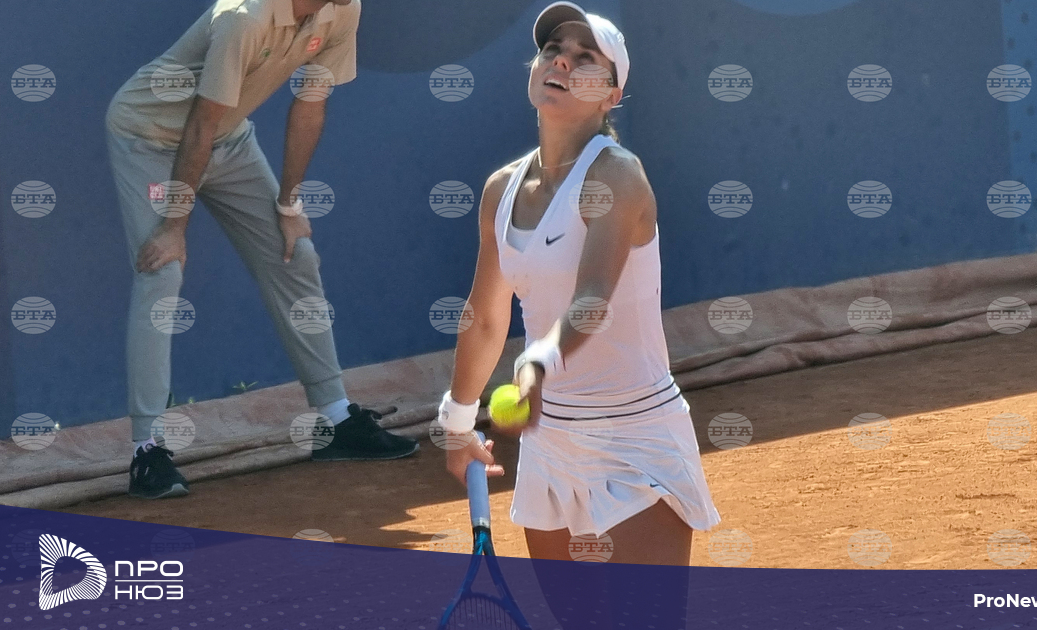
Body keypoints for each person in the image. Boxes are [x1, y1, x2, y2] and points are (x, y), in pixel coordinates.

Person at [438, 1, 720, 566]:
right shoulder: (501, 189)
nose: (561, 62)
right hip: (550, 441)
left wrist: (536, 362)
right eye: (552, 50)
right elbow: (486, 317)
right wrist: (458, 422)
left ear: (611, 95)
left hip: (634, 433)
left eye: (585, 57)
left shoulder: (616, 174)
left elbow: (592, 301)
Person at [106, 0, 418, 500]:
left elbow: (310, 105)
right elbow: (199, 124)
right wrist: (174, 227)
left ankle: (336, 419)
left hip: (228, 140)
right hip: (150, 138)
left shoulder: (343, 9)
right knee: (161, 272)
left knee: (295, 254)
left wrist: (288, 203)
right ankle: (147, 450)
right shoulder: (243, 18)